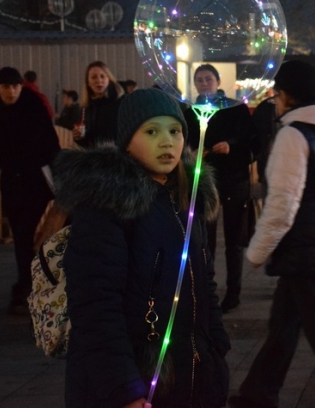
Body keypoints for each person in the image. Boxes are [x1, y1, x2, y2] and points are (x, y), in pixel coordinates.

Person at [56, 88, 230, 407]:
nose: (167, 141)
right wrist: (123, 388)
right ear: (127, 140)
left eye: (175, 131)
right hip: (135, 381)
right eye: (152, 131)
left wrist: (215, 347)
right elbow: (96, 304)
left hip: (190, 375)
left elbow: (204, 279)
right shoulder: (107, 203)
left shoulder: (187, 198)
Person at [230, 60, 315, 408]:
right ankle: (256, 393)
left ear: (288, 96)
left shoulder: (293, 133)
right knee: (284, 325)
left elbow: (282, 204)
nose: (274, 100)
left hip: (301, 245)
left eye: (277, 94)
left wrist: (256, 252)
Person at [0, 67, 59, 314]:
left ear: (21, 86)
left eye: (15, 86)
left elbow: (51, 144)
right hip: (13, 183)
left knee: (27, 233)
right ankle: (26, 286)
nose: (11, 91)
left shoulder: (33, 105)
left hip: (37, 181)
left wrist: (61, 177)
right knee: (20, 238)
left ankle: (28, 288)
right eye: (6, 86)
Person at [183, 64, 257, 313]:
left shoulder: (235, 108)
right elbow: (185, 143)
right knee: (206, 239)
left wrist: (231, 146)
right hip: (206, 180)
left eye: (208, 79)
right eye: (199, 80)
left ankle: (233, 292)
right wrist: (195, 153)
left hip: (234, 179)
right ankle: (207, 289)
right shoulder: (191, 111)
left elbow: (251, 142)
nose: (204, 84)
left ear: (217, 81)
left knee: (234, 240)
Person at [74, 61, 124, 148]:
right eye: (94, 77)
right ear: (88, 83)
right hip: (96, 157)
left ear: (109, 79)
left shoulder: (121, 102)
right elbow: (88, 142)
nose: (99, 80)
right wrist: (79, 137)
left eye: (102, 76)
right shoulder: (86, 108)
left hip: (118, 156)